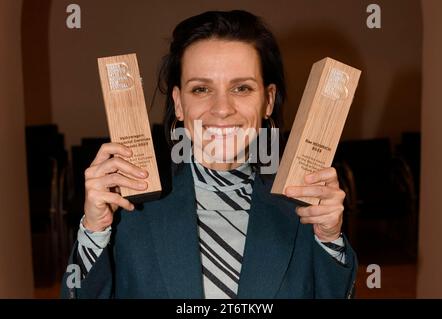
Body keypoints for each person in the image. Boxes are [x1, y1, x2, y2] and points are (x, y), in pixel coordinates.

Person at [61, 10, 357, 299]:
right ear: (178, 102)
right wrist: (94, 230)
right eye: (201, 89)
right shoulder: (129, 210)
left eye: (241, 88)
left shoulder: (304, 209)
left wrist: (330, 239)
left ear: (267, 101)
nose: (221, 109)